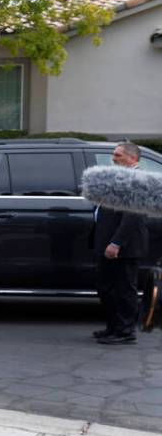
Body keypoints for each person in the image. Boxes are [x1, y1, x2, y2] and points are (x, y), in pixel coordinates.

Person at [94, 141, 148, 345]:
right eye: (114, 155)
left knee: (124, 289)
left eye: (118, 155)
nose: (113, 158)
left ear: (133, 158)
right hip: (108, 243)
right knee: (107, 287)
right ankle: (113, 327)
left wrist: (116, 243)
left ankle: (125, 332)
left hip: (125, 247)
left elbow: (134, 217)